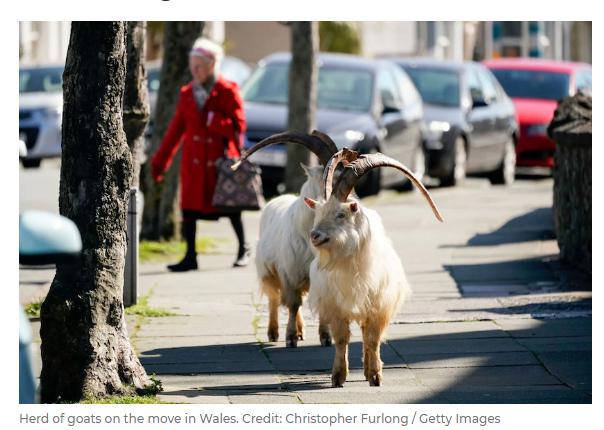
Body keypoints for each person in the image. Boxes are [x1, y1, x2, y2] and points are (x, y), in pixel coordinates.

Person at [151, 38, 250, 271]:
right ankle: (190, 256)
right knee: (189, 210)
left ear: (213, 65)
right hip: (194, 163)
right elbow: (175, 130)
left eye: (199, 66)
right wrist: (159, 162)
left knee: (230, 207)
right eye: (192, 65)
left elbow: (239, 128)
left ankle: (243, 248)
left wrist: (217, 122)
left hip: (219, 162)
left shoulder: (227, 90)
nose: (194, 70)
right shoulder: (187, 93)